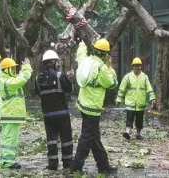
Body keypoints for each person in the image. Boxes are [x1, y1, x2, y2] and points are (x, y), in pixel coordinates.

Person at [70, 39, 119, 175]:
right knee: (87, 137)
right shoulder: (101, 68)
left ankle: (103, 165)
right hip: (93, 107)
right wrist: (109, 66)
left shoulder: (85, 60)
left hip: (83, 104)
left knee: (94, 137)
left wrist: (82, 43)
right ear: (105, 54)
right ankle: (76, 167)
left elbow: (80, 53)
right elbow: (112, 82)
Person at [35, 50, 74, 171]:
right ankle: (67, 163)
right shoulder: (59, 75)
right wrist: (70, 78)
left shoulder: (37, 78)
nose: (57, 63)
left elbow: (39, 93)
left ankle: (53, 164)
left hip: (48, 114)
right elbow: (70, 88)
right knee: (66, 139)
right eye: (56, 61)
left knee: (51, 140)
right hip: (62, 113)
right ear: (53, 61)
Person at [0, 57, 32, 169]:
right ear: (6, 69)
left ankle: (6, 160)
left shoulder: (7, 79)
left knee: (9, 138)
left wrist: (23, 69)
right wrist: (27, 67)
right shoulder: (7, 81)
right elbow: (21, 80)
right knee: (9, 139)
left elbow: (18, 78)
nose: (13, 70)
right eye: (12, 68)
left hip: (11, 114)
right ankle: (7, 162)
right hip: (11, 114)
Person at [116, 57, 156, 140]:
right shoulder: (128, 77)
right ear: (132, 66)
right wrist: (118, 99)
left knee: (139, 120)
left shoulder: (144, 77)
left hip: (140, 103)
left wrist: (152, 98)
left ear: (141, 66)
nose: (137, 67)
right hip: (130, 102)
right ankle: (127, 132)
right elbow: (122, 88)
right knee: (129, 118)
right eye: (135, 66)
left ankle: (138, 134)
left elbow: (149, 88)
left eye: (138, 66)